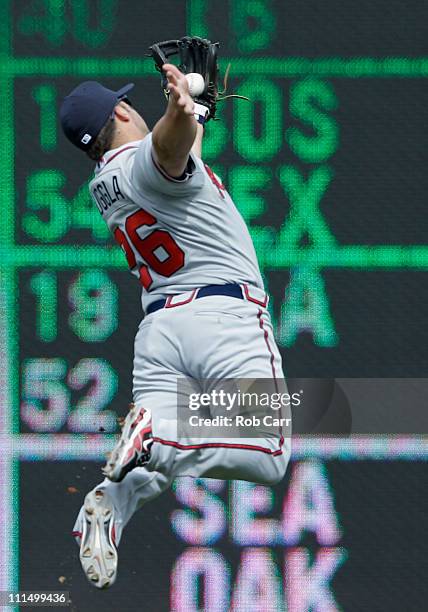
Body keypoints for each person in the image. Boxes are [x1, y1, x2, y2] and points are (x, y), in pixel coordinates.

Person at [60, 61, 290, 589]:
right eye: (128, 102)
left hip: (161, 333)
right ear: (121, 110)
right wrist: (180, 108)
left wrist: (192, 115)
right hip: (222, 322)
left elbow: (175, 154)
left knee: (150, 467)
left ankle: (110, 505)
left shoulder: (106, 183)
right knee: (270, 452)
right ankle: (157, 435)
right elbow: (165, 151)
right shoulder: (147, 161)